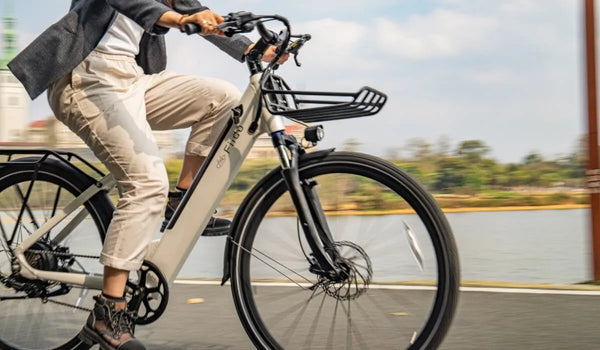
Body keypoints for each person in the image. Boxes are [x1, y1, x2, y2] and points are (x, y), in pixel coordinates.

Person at [8, 1, 288, 349]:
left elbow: (196, 11)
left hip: (133, 78)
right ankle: (108, 312)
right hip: (86, 77)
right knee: (146, 183)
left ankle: (181, 197)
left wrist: (254, 48)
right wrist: (181, 19)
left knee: (226, 99)